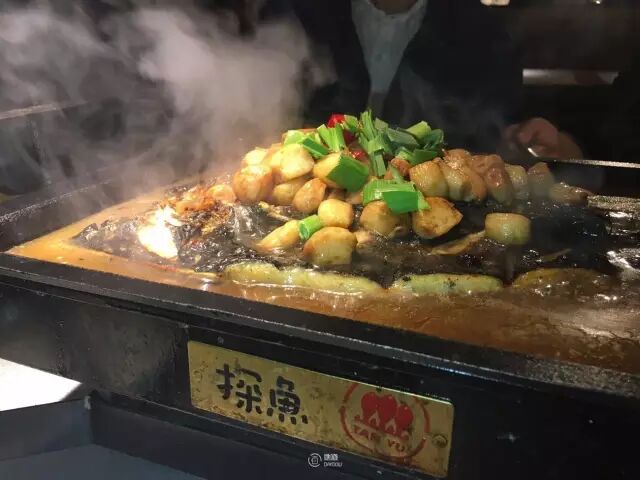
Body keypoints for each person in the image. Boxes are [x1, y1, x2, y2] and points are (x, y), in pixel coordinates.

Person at [286, 0, 522, 153]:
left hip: (440, 206)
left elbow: (501, 127)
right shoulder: (303, 16)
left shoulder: (481, 31)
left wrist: (525, 137)